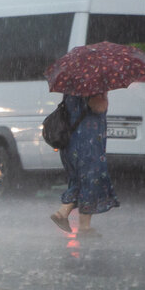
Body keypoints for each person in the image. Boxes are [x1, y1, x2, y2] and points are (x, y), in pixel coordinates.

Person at [50, 92, 119, 237]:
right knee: (90, 180)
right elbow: (99, 106)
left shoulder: (73, 85)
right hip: (88, 142)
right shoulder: (93, 86)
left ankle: (63, 214)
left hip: (70, 141)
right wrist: (104, 97)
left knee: (79, 180)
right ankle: (82, 225)